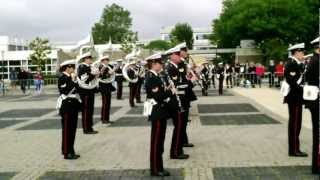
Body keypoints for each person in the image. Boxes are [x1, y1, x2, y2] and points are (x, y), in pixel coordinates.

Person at [145, 53, 173, 177]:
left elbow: (159, 93)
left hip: (160, 111)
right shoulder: (151, 77)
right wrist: (169, 92)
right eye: (160, 63)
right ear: (154, 64)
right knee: (156, 141)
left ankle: (158, 166)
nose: (161, 65)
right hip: (156, 111)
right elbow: (157, 96)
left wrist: (166, 89)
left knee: (160, 140)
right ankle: (155, 169)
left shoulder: (156, 76)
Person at [165, 46, 189, 159]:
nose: (180, 57)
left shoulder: (176, 66)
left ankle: (178, 150)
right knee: (179, 126)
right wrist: (190, 83)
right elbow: (174, 85)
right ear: (173, 56)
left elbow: (180, 81)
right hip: (176, 100)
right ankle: (175, 151)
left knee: (181, 126)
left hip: (181, 98)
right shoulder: (170, 68)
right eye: (178, 55)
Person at [284, 43, 307, 157]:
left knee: (296, 124)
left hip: (296, 98)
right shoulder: (291, 64)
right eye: (301, 52)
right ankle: (293, 150)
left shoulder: (296, 63)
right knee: (295, 124)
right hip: (294, 98)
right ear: (296, 52)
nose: (303, 54)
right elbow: (292, 82)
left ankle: (295, 148)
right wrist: (304, 89)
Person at [57, 59, 81, 160]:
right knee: (67, 130)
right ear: (67, 67)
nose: (74, 69)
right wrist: (73, 80)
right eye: (72, 68)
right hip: (67, 106)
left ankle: (69, 149)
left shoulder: (70, 77)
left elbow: (78, 89)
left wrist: (75, 81)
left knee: (72, 130)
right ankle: (67, 152)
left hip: (73, 105)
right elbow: (65, 91)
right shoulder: (63, 78)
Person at [305, 37, 320, 174]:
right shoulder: (316, 61)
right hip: (317, 101)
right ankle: (317, 165)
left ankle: (317, 164)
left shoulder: (315, 60)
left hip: (316, 101)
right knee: (318, 134)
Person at [177, 43, 196, 148]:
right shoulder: (180, 64)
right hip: (182, 95)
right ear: (181, 52)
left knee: (184, 121)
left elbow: (186, 77)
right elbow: (181, 81)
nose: (187, 53)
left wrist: (193, 75)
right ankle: (182, 141)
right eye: (185, 51)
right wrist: (190, 81)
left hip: (185, 95)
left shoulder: (183, 63)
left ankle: (184, 140)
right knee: (182, 121)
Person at [77, 52, 99, 134]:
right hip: (85, 91)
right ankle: (86, 129)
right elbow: (85, 79)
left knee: (90, 110)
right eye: (90, 58)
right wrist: (93, 74)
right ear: (85, 59)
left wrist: (96, 75)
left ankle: (90, 127)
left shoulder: (89, 67)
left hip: (90, 90)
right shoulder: (82, 67)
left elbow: (93, 77)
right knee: (86, 110)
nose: (91, 60)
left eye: (91, 58)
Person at [98, 55, 116, 124]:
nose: (107, 61)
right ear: (102, 61)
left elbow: (112, 74)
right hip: (103, 86)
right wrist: (109, 73)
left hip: (108, 85)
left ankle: (107, 118)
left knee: (108, 103)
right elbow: (102, 77)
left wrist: (113, 71)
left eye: (108, 60)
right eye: (106, 60)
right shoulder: (101, 67)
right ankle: (103, 119)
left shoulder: (109, 66)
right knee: (105, 103)